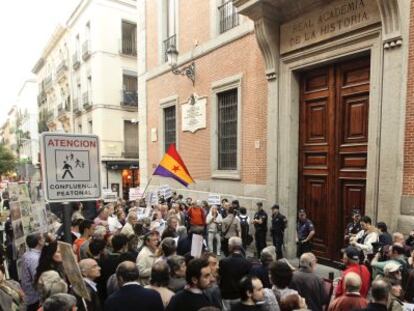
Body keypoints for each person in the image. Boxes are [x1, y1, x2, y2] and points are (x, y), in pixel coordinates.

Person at [219, 237, 252, 311]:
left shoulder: (223, 262)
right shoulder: (247, 263)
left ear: (230, 246)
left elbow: (220, 276)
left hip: (226, 295)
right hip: (240, 295)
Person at [20, 233, 44, 311]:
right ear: (39, 242)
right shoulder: (34, 258)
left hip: (30, 296)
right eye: (42, 238)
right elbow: (36, 278)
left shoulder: (27, 254)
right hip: (35, 298)